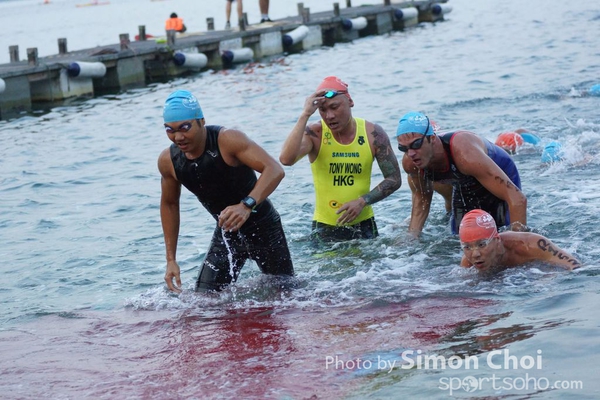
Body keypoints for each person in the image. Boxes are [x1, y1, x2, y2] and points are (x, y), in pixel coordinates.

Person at [158, 90, 294, 292]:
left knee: (286, 293)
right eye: (170, 130)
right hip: (227, 233)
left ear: (201, 121)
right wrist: (171, 259)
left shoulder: (228, 140)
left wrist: (246, 205)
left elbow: (274, 170)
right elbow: (169, 204)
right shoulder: (168, 161)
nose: (178, 137)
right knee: (204, 300)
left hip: (264, 229)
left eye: (184, 128)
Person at [279, 76, 402, 242]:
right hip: (324, 228)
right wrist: (305, 115)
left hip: (364, 225)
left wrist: (362, 202)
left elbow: (394, 179)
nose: (329, 116)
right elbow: (286, 159)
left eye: (334, 107)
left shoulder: (373, 133)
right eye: (323, 110)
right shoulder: (315, 134)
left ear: (350, 101)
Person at [396, 111, 527, 237]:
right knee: (458, 240)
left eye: (416, 144)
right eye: (403, 148)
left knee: (500, 237)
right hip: (465, 185)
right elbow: (421, 200)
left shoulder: (464, 153)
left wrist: (517, 243)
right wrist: (411, 239)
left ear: (432, 138)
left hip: (500, 173)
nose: (411, 153)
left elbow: (517, 199)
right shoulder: (411, 163)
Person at [459, 209, 581, 273]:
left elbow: (577, 268)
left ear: (496, 240)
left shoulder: (531, 245)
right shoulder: (468, 262)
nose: (475, 254)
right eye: (467, 247)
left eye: (482, 244)